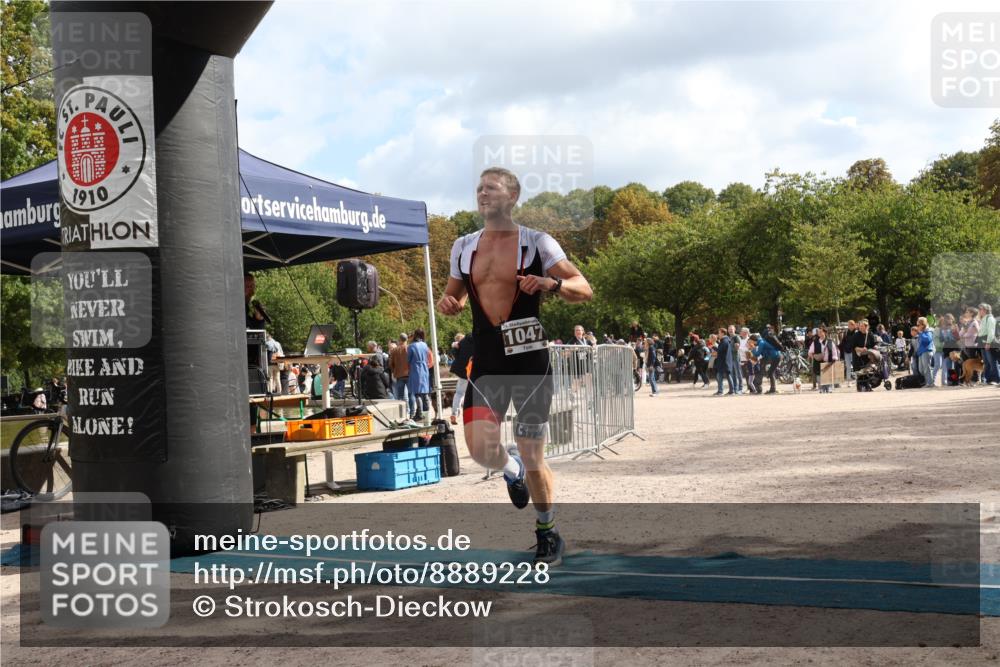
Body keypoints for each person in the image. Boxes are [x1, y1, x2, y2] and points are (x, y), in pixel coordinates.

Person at [436, 167, 592, 565]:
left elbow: (583, 288)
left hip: (529, 362)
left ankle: (547, 530)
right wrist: (448, 304)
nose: (482, 194)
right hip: (487, 359)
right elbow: (452, 298)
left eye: (491, 188)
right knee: (481, 450)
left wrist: (550, 284)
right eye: (478, 189)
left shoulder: (537, 242)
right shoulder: (463, 246)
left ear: (512, 196)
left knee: (534, 452)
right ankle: (512, 471)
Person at [406, 329, 431, 422]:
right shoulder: (425, 345)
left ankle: (419, 413)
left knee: (417, 393)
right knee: (424, 392)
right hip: (424, 368)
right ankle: (426, 413)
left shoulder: (411, 346)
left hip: (416, 369)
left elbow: (408, 359)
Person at [449, 333, 474, 425]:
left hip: (463, 372)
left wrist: (454, 346)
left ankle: (454, 413)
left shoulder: (462, 342)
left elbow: (455, 354)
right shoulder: (479, 341)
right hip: (474, 372)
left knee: (459, 393)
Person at [388, 333, 413, 415]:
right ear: (407, 340)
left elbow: (390, 364)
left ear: (399, 339)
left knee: (400, 396)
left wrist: (394, 371)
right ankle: (412, 413)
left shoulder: (395, 350)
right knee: (410, 395)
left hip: (399, 375)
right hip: (410, 374)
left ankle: (402, 414)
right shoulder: (410, 348)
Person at [810, 326, 839, 393]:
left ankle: (828, 388)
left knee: (828, 375)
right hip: (818, 362)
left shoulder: (830, 342)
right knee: (819, 375)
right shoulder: (815, 342)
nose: (819, 333)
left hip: (828, 362)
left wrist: (834, 359)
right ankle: (821, 388)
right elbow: (810, 352)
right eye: (818, 332)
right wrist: (814, 356)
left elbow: (834, 351)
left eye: (821, 332)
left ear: (825, 333)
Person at [978, 303, 999, 384]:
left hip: (987, 342)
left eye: (980, 309)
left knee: (992, 361)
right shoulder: (984, 318)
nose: (979, 311)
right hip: (982, 342)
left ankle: (996, 379)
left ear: (985, 310)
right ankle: (988, 379)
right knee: (986, 362)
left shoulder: (990, 318)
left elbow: (991, 332)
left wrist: (988, 342)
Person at [915, 317, 935, 387]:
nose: (917, 326)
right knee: (921, 369)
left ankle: (930, 383)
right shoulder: (922, 332)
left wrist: (920, 333)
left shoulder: (928, 331)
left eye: (918, 325)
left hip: (926, 351)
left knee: (927, 368)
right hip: (921, 352)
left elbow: (928, 340)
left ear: (923, 324)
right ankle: (929, 382)